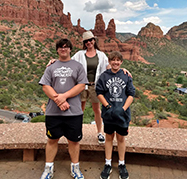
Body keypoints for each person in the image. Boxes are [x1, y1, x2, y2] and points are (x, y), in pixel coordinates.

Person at [39, 38, 88, 179]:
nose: (63, 49)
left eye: (66, 47)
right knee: (52, 140)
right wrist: (59, 101)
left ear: (70, 49)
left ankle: (75, 168)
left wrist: (64, 97)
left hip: (74, 112)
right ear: (57, 50)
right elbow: (45, 86)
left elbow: (81, 85)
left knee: (74, 141)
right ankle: (48, 168)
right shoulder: (51, 67)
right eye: (60, 47)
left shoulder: (77, 66)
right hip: (53, 112)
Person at [96, 51, 135, 179]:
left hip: (122, 115)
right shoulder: (104, 76)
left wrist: (123, 109)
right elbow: (99, 93)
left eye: (118, 60)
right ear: (109, 61)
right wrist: (107, 107)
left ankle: (122, 164)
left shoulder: (126, 76)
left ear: (121, 62)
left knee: (121, 139)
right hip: (109, 114)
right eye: (113, 60)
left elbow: (131, 94)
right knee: (108, 138)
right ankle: (108, 164)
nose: (115, 62)